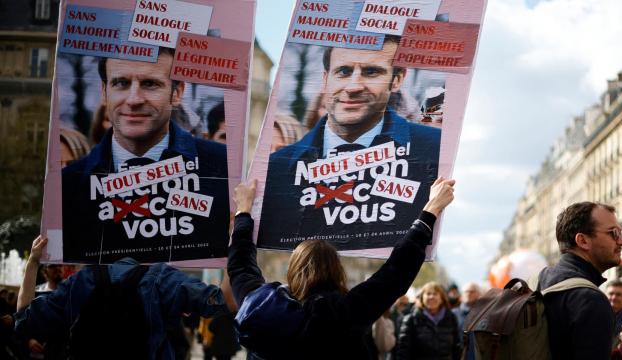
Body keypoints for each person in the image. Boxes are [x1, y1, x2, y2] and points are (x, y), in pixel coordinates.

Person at [228, 177, 455, 359]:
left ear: (293, 269)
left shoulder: (260, 307)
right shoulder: (341, 312)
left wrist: (244, 211)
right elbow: (395, 274)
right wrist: (431, 209)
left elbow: (240, 266)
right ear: (336, 270)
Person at [260, 36, 442, 250]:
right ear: (326, 79)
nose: (354, 86)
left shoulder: (433, 150)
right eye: (344, 71)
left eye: (371, 72)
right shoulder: (276, 168)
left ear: (397, 79)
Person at [62, 47, 229, 263]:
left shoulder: (223, 168)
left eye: (150, 84)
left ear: (176, 93)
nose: (134, 100)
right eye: (121, 83)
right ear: (104, 92)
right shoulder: (68, 186)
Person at [15, 235, 229, 360]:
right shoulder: (163, 278)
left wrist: (33, 262)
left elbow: (24, 321)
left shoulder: (82, 280)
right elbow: (223, 301)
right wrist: (234, 248)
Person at [537, 202, 622, 359]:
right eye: (613, 233)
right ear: (583, 241)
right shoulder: (590, 300)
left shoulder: (538, 280)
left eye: (620, 233)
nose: (621, 242)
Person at [396, 282, 462, 360]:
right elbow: (403, 351)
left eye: (435, 294)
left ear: (442, 298)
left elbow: (457, 348)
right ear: (422, 298)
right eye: (428, 294)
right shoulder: (411, 319)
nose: (431, 297)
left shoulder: (451, 318)